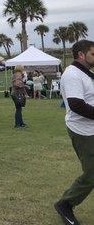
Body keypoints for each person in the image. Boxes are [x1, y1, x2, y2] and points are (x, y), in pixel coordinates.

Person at [54, 40, 94, 225]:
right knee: (92, 173)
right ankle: (65, 204)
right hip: (83, 132)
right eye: (93, 54)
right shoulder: (72, 75)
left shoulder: (87, 74)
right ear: (81, 55)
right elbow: (76, 105)